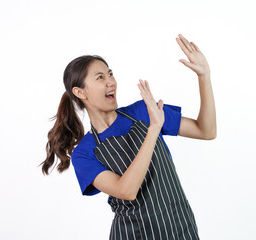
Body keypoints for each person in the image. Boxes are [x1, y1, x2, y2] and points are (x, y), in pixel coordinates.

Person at [40, 34, 216, 240]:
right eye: (100, 77)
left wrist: (204, 76)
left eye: (110, 74)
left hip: (180, 229)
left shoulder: (144, 111)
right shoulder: (84, 154)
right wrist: (153, 130)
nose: (111, 82)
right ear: (80, 92)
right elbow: (126, 191)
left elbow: (206, 131)